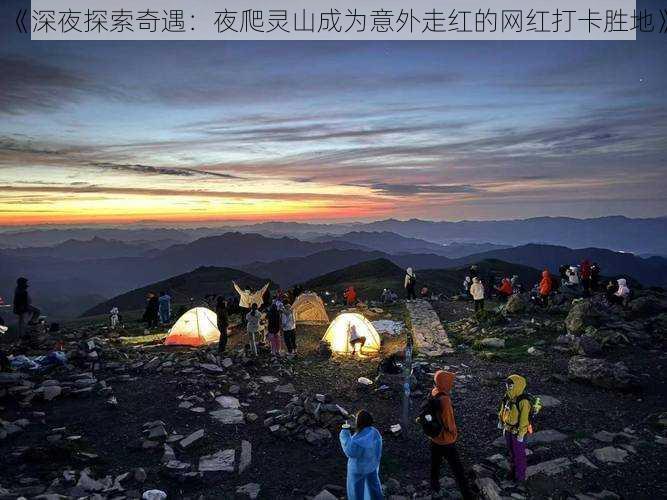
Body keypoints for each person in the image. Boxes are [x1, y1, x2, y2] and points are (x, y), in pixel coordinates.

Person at [423, 371, 473, 499]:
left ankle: (434, 487)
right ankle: (467, 495)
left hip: (434, 438)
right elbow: (449, 422)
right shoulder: (445, 400)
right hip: (447, 441)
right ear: (445, 383)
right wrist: (454, 433)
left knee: (435, 464)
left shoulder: (434, 392)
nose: (451, 384)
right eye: (450, 382)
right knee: (458, 470)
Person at [339, 410, 383, 500]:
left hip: (358, 469)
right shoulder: (375, 432)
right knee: (374, 488)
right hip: (372, 467)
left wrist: (345, 432)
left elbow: (350, 451)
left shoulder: (359, 440)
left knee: (356, 492)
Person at [498, 375, 531, 482]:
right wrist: (501, 421)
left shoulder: (523, 401)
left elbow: (524, 419)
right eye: (507, 384)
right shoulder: (507, 396)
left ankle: (520, 477)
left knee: (519, 455)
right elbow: (503, 409)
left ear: (518, 385)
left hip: (517, 432)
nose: (507, 386)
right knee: (511, 452)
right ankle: (513, 472)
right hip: (508, 429)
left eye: (510, 385)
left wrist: (521, 434)